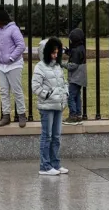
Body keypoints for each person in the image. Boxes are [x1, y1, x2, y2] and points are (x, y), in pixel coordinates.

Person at [32, 37, 69, 176]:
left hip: (58, 105)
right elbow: (35, 87)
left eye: (57, 52)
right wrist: (48, 95)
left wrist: (66, 93)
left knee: (56, 136)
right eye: (53, 52)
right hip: (47, 106)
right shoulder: (39, 67)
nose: (55, 55)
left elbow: (64, 82)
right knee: (46, 136)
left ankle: (55, 163)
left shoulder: (57, 66)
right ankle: (45, 166)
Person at [0, 6, 27, 128]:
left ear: (0, 20)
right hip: (1, 66)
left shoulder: (13, 29)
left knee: (17, 90)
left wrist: (11, 58)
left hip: (14, 65)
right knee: (3, 91)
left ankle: (22, 114)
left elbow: (21, 45)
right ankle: (6, 116)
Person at [63, 28, 87, 125]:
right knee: (77, 96)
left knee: (71, 96)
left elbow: (73, 66)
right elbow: (75, 55)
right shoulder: (81, 48)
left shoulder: (76, 50)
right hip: (81, 77)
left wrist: (61, 63)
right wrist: (68, 52)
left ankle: (72, 116)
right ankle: (78, 115)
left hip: (75, 78)